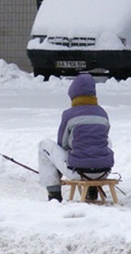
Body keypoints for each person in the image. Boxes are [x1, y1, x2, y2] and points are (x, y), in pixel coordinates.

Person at [38, 73, 114, 202]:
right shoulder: (102, 113)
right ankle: (92, 189)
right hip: (104, 171)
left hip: (78, 171)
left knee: (44, 145)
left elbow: (62, 144)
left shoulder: (69, 115)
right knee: (106, 141)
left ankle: (54, 193)